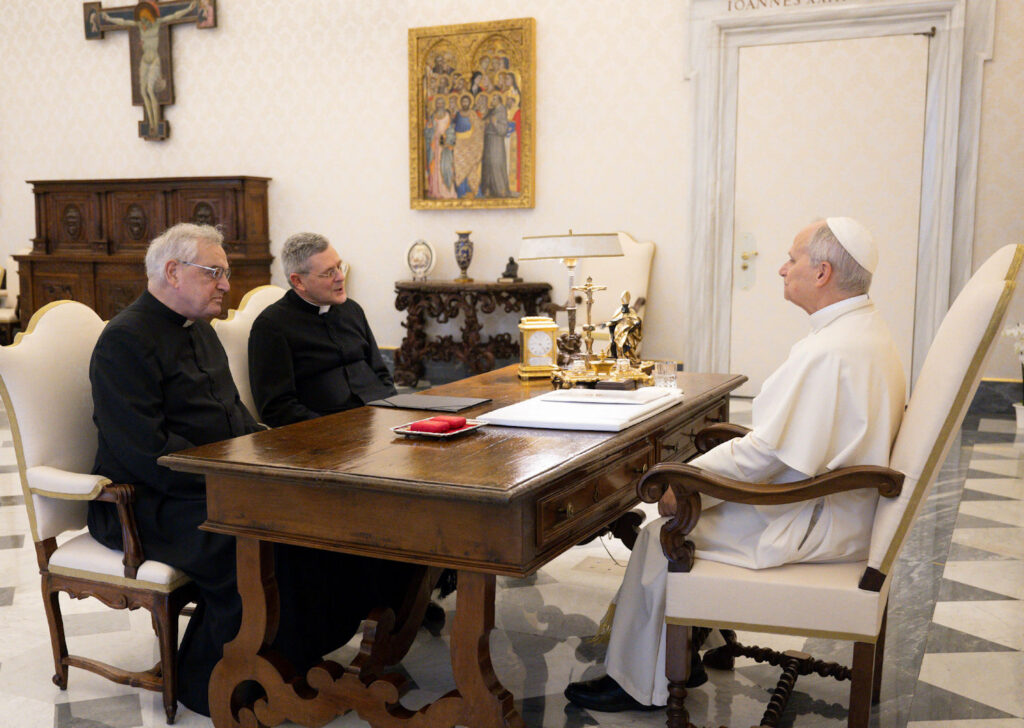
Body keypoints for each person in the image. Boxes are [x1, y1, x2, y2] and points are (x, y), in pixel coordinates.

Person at [564, 217, 906, 712]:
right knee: (683, 516)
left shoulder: (833, 350)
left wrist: (685, 484)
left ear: (823, 272)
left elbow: (765, 453)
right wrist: (700, 477)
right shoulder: (860, 330)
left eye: (793, 259)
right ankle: (681, 653)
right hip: (839, 506)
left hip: (818, 519)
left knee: (661, 537)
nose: (781, 268)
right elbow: (781, 446)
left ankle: (642, 683)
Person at [87, 223, 414, 716]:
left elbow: (235, 418)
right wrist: (241, 480)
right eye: (214, 273)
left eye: (226, 273)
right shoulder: (124, 340)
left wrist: (275, 458)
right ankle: (219, 685)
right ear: (173, 272)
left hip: (216, 483)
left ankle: (294, 662)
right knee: (260, 543)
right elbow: (145, 450)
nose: (225, 285)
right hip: (151, 500)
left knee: (321, 523)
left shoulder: (201, 329)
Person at [249, 232, 396, 427]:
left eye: (339, 266)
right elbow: (277, 408)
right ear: (298, 281)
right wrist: (330, 430)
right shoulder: (271, 326)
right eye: (329, 272)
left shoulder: (352, 309)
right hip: (327, 437)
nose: (341, 277)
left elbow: (381, 373)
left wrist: (393, 411)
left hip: (379, 421)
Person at [101, 0, 197, 135]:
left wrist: (189, 8)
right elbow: (123, 22)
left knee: (151, 91)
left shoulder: (157, 23)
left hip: (154, 61)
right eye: (141, 18)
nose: (143, 21)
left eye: (145, 18)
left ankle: (155, 124)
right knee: (143, 91)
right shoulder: (140, 26)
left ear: (149, 15)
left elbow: (175, 16)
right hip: (144, 61)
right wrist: (108, 18)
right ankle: (152, 124)